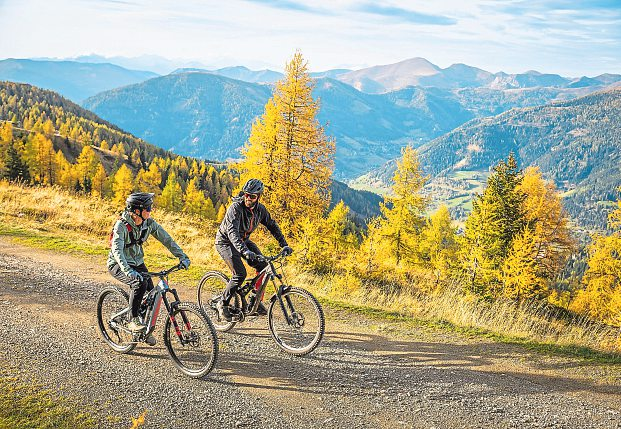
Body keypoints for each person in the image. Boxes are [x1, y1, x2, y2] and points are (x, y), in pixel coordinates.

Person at [107, 192, 191, 335]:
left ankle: (144, 332)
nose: (151, 211)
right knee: (139, 284)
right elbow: (117, 250)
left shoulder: (148, 223)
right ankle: (132, 320)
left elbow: (167, 240)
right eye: (148, 208)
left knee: (151, 295)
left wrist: (182, 256)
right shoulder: (121, 226)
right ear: (136, 211)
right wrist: (127, 270)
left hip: (138, 263)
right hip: (118, 264)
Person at [215, 179, 292, 321]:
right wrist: (244, 251)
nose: (248, 198)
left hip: (243, 241)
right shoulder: (235, 208)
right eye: (246, 195)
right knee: (240, 274)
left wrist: (284, 244)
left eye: (252, 196)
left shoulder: (260, 210)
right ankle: (222, 303)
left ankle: (255, 299)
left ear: (258, 197)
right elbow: (232, 232)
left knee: (264, 267)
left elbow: (272, 226)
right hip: (225, 242)